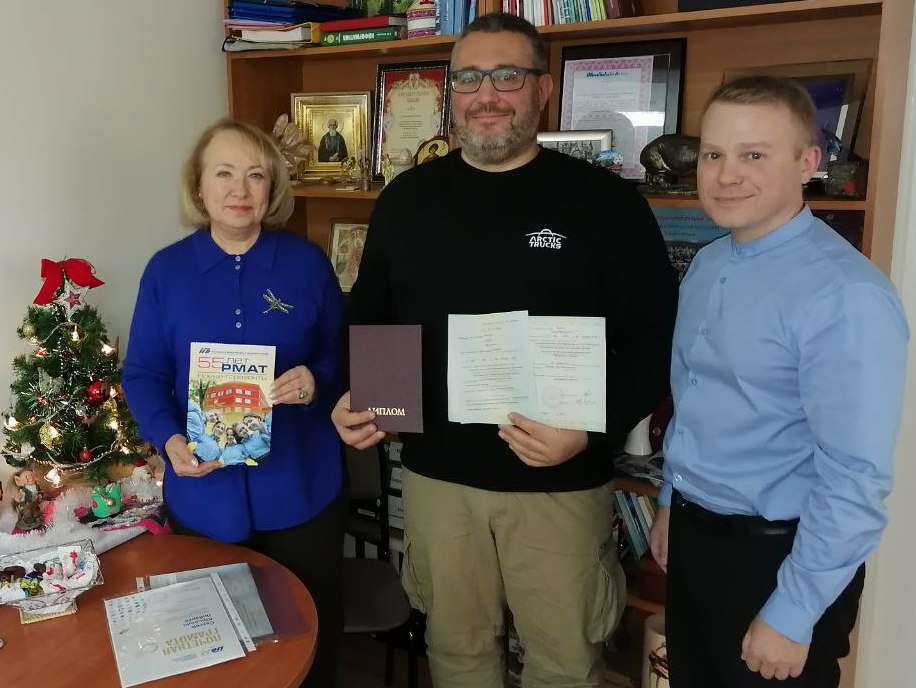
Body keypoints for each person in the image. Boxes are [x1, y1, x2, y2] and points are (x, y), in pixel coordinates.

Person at [331, 13, 678, 688]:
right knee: (457, 654)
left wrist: (593, 431)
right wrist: (363, 399)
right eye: (468, 78)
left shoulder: (606, 203)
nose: (485, 94)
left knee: (565, 663)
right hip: (438, 481)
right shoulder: (407, 199)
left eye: (507, 76)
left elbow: (654, 337)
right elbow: (371, 315)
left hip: (559, 482)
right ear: (451, 93)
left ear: (542, 89)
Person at [649, 76, 909, 688]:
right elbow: (695, 401)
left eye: (754, 155)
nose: (726, 175)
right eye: (713, 154)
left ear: (808, 163)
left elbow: (855, 479)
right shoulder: (708, 263)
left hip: (781, 561)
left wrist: (792, 613)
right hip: (696, 540)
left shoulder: (846, 295)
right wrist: (670, 503)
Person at [122, 118, 345, 687]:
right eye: (224, 173)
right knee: (216, 656)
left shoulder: (307, 264)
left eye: (255, 175)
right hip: (204, 495)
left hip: (301, 490)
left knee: (308, 642)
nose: (240, 190)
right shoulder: (166, 271)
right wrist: (169, 439)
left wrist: (316, 381)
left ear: (272, 188)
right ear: (198, 187)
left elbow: (341, 356)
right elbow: (143, 374)